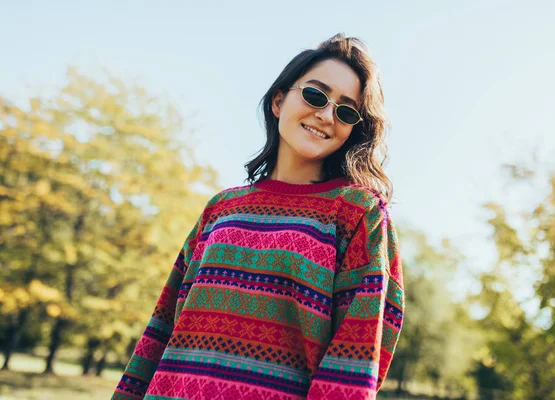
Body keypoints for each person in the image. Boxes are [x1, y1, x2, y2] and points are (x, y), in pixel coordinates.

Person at [112, 33, 404, 400]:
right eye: (316, 94)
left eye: (346, 111)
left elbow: (353, 368)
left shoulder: (358, 214)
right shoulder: (221, 208)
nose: (326, 115)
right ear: (279, 101)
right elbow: (161, 329)